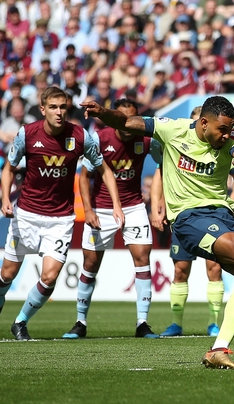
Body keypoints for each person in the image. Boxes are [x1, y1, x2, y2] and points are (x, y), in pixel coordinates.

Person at [82, 96, 234, 370]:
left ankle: (218, 349)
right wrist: (102, 112)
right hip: (189, 217)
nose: (226, 135)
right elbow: (127, 122)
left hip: (223, 214)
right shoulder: (172, 128)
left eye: (230, 130)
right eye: (221, 130)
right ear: (203, 123)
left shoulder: (231, 136)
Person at [0, 87, 124, 341]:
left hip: (60, 218)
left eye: (64, 107)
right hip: (26, 215)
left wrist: (116, 204)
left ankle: (20, 321)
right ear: (43, 109)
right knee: (7, 274)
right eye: (54, 107)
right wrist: (5, 199)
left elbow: (104, 169)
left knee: (49, 277)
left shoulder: (80, 136)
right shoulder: (27, 134)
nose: (59, 112)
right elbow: (8, 168)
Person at [63, 99, 162, 340]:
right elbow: (84, 176)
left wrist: (160, 203)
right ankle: (80, 321)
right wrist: (88, 211)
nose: (128, 124)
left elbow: (164, 165)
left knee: (143, 258)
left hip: (134, 206)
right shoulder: (100, 138)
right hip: (101, 208)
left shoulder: (146, 139)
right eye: (123, 119)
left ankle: (142, 323)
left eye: (132, 119)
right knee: (90, 264)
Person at [154, 106, 234, 338]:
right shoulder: (178, 142)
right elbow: (160, 173)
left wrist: (233, 201)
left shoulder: (220, 147)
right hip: (184, 216)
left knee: (214, 268)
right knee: (180, 269)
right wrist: (158, 205)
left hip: (212, 215)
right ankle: (176, 323)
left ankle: (213, 323)